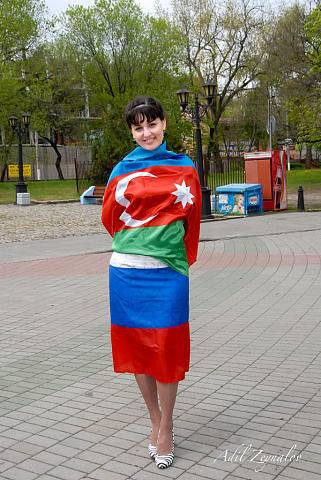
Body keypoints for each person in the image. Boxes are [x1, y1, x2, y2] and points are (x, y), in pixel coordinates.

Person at [101, 95, 201, 469]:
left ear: (164, 123)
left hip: (168, 272)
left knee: (167, 350)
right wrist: (138, 242)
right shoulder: (122, 169)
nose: (146, 133)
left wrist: (172, 253)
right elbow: (110, 217)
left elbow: (192, 219)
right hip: (127, 270)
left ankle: (168, 423)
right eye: (138, 127)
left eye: (152, 124)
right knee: (139, 349)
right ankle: (155, 419)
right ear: (131, 131)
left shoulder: (184, 168)